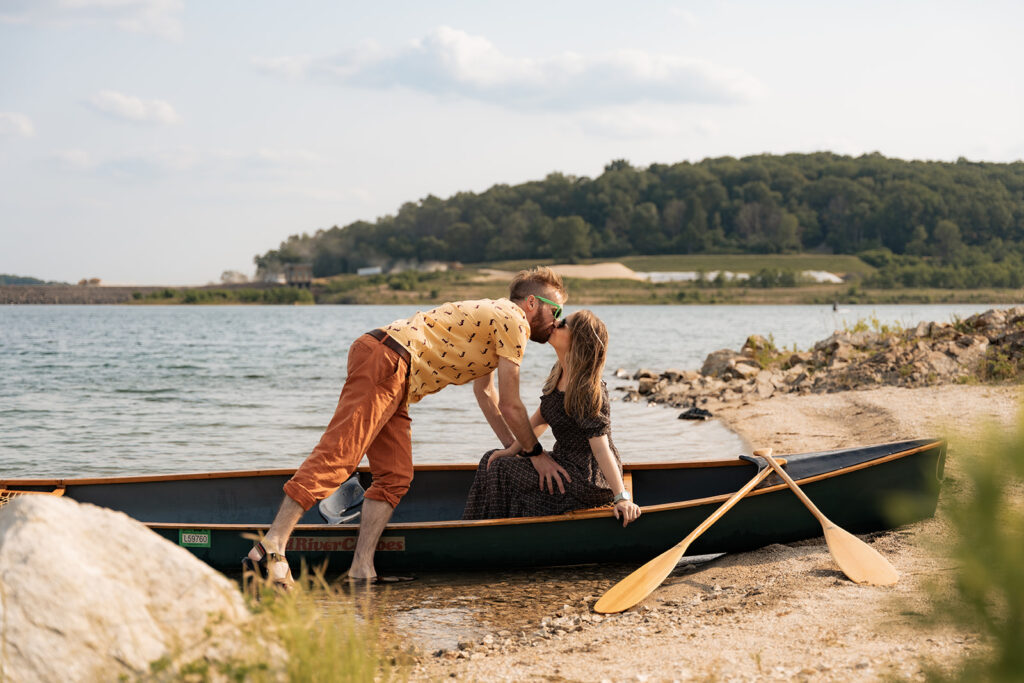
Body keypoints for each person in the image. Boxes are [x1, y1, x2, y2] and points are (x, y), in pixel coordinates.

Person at [245, 266, 568, 587]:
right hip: (387, 358)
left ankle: (362, 568)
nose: (557, 319)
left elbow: (486, 394)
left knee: (395, 475)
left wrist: (514, 449)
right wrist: (535, 454)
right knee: (340, 455)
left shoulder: (496, 319)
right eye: (555, 309)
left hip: (397, 374)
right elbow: (512, 405)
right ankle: (272, 547)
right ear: (530, 303)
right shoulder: (513, 320)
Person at [463, 310, 641, 527]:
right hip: (564, 462)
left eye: (563, 323)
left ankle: (489, 533)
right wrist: (510, 451)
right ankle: (478, 529)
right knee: (492, 459)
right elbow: (537, 422)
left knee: (502, 469)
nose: (555, 323)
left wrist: (621, 497)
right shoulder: (558, 374)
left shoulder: (586, 390)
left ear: (578, 340)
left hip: (587, 479)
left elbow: (601, 448)